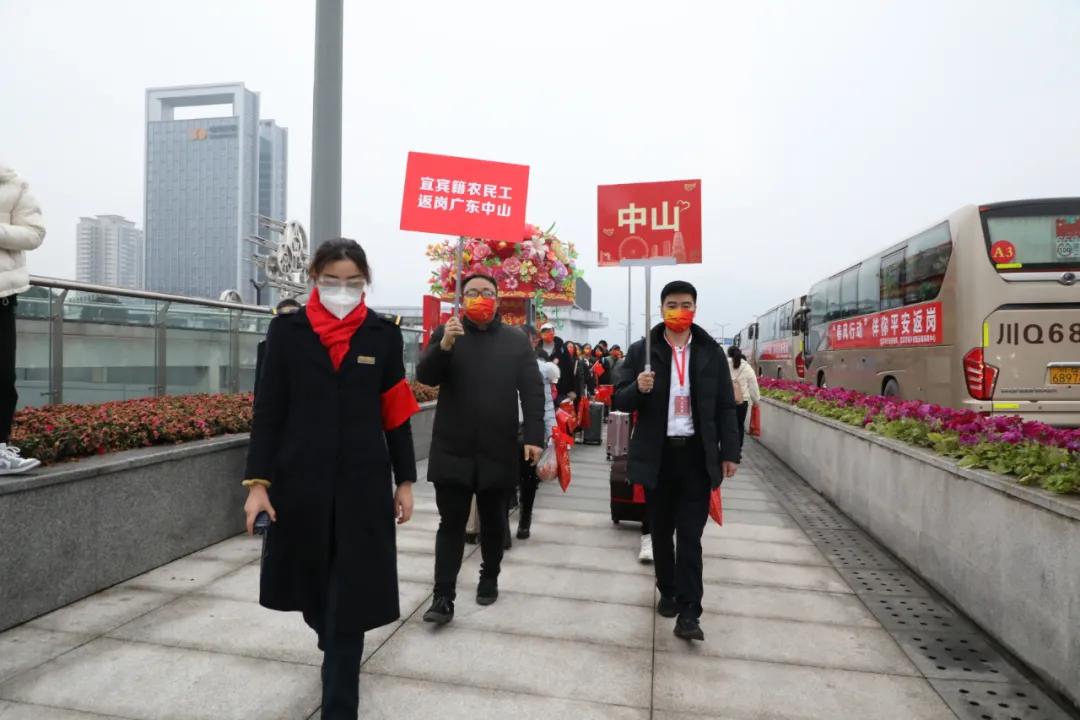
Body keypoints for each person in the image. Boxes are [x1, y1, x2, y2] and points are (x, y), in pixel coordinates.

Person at [242, 239, 420, 719]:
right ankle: (326, 628)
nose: (343, 291)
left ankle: (339, 706)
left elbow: (396, 414)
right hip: (300, 484)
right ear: (315, 280)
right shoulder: (287, 333)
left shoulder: (382, 336)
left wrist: (405, 480)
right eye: (332, 281)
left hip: (363, 488)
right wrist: (257, 484)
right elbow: (269, 411)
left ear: (366, 283)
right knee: (314, 594)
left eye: (353, 283)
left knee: (350, 604)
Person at [613, 281, 740, 642]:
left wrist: (730, 452)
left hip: (697, 458)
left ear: (695, 308)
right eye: (672, 304)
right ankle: (667, 589)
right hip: (658, 457)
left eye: (686, 304)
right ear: (661, 308)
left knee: (690, 537)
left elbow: (725, 406)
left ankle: (689, 612)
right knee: (661, 531)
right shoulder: (643, 352)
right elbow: (620, 402)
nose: (679, 310)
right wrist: (638, 387)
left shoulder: (710, 352)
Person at [418, 274, 545, 624]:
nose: (480, 298)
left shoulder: (516, 340)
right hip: (453, 446)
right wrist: (443, 345)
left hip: (498, 445)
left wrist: (535, 436)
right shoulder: (448, 334)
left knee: (492, 521)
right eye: (472, 293)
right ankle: (443, 596)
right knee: (451, 523)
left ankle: (489, 575)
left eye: (487, 293)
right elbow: (425, 377)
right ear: (461, 299)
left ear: (499, 299)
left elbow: (533, 391)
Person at [0, 165, 46, 476]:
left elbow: (34, 233)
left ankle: (0, 449)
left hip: (1, 294)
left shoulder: (13, 184)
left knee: (2, 378)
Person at [516, 324, 558, 540]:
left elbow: (547, 404)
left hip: (530, 431)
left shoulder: (540, 370)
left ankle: (525, 518)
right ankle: (502, 526)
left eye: (527, 339)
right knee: (504, 478)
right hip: (503, 428)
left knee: (528, 479)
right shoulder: (501, 365)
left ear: (533, 342)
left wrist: (552, 433)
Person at [254, 298, 303, 397]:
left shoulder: (309, 347)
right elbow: (260, 383)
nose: (287, 323)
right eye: (284, 318)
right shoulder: (265, 347)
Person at [727, 346, 761, 452]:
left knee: (726, 425)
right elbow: (753, 386)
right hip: (742, 403)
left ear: (729, 354)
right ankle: (737, 450)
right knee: (739, 426)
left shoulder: (723, 364)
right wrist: (756, 401)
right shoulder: (747, 367)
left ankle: (726, 450)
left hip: (725, 401)